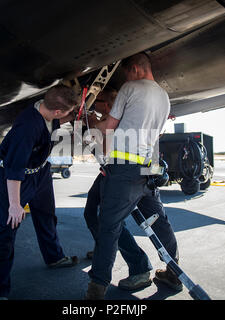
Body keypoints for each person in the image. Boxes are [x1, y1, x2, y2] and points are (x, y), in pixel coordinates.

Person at [85, 53, 181, 299]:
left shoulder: (131, 87)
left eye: (126, 73)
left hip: (123, 168)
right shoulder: (164, 97)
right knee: (159, 221)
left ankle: (96, 289)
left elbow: (109, 128)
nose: (125, 78)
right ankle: (174, 272)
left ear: (135, 69)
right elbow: (154, 136)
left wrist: (87, 126)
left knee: (108, 225)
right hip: (147, 167)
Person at [0, 84, 79, 300]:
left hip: (40, 172)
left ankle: (54, 257)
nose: (67, 116)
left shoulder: (47, 110)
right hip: (15, 178)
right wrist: (15, 205)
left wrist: (77, 109)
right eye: (66, 113)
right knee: (6, 231)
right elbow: (14, 169)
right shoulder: (27, 127)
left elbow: (60, 119)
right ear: (56, 111)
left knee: (46, 215)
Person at [83, 88, 153, 291]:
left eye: (98, 101)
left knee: (108, 221)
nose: (94, 105)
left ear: (107, 105)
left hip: (121, 173)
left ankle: (139, 266)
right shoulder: (107, 119)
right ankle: (104, 249)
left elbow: (103, 145)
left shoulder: (118, 121)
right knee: (92, 214)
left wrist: (88, 122)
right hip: (111, 171)